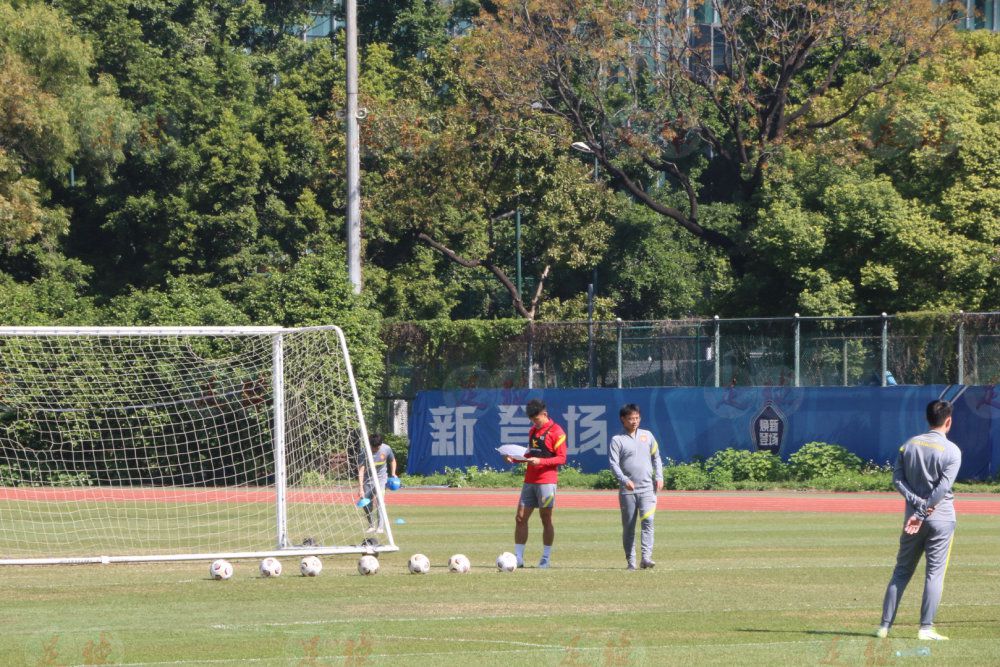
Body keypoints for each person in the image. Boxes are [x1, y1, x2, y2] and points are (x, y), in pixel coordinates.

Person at [876, 400, 961, 641]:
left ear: (927, 419)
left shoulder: (909, 445)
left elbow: (897, 480)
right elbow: (943, 488)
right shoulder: (952, 451)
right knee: (934, 574)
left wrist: (916, 506)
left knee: (901, 572)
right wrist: (924, 510)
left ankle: (884, 626)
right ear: (948, 421)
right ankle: (925, 628)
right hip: (940, 519)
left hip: (912, 519)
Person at [505, 398, 566, 568]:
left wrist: (540, 462)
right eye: (531, 420)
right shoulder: (532, 431)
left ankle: (545, 558)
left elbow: (561, 458)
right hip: (529, 481)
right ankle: (518, 558)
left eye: (536, 419)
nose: (534, 422)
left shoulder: (557, 432)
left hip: (547, 482)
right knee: (520, 518)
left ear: (545, 414)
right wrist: (514, 459)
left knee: (545, 519)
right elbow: (529, 454)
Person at [608, 404, 664, 570]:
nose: (634, 421)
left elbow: (656, 457)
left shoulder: (647, 435)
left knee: (648, 521)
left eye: (637, 418)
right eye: (631, 418)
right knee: (629, 526)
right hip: (628, 491)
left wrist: (659, 476)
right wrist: (624, 480)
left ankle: (646, 558)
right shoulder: (617, 440)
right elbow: (613, 464)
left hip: (648, 489)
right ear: (623, 419)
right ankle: (631, 562)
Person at [357, 433, 396, 534]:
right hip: (368, 479)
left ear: (381, 444)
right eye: (373, 448)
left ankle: (380, 527)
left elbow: (392, 461)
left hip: (381, 478)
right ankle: (371, 525)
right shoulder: (364, 452)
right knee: (366, 503)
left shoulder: (386, 449)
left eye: (377, 448)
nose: (375, 450)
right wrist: (360, 488)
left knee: (379, 500)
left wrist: (393, 474)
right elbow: (361, 470)